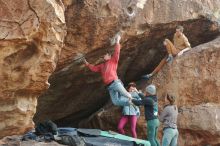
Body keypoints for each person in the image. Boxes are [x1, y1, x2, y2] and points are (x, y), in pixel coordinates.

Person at [84, 34, 133, 106]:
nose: (104, 56)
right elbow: (94, 68)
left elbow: (117, 52)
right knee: (115, 102)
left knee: (126, 94)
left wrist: (117, 41)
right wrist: (87, 64)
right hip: (110, 86)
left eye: (106, 55)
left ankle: (137, 100)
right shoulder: (101, 65)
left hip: (115, 83)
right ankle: (130, 103)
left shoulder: (113, 61)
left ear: (109, 56)